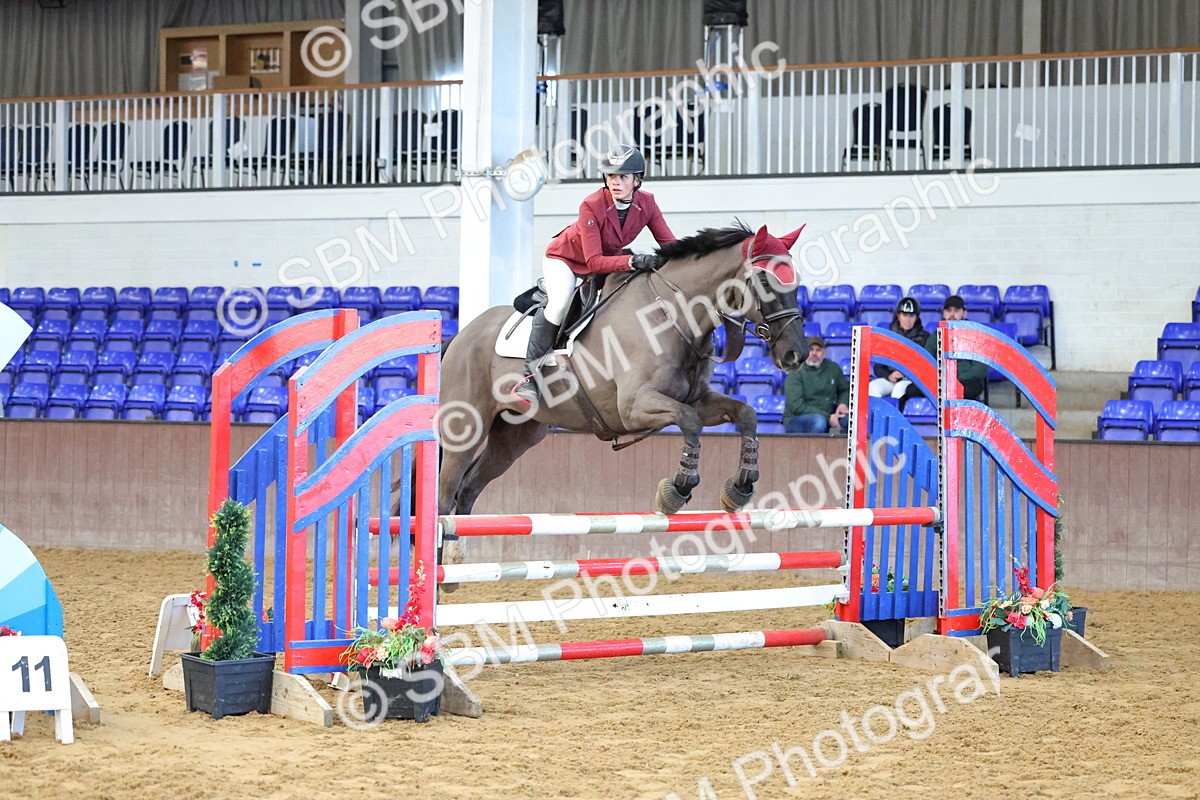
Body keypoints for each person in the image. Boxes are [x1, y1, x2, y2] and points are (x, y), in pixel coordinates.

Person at [513, 144, 677, 406]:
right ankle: (528, 378)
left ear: (637, 180)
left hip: (609, 259)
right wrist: (633, 260)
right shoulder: (591, 205)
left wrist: (689, 258)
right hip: (566, 260)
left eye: (623, 177)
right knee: (559, 305)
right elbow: (594, 261)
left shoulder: (647, 203)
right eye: (611, 176)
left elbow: (669, 243)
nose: (616, 182)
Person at [905, 294, 989, 403]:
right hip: (940, 381)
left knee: (970, 390)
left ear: (964, 313)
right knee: (911, 390)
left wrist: (955, 377)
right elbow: (925, 362)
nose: (952, 314)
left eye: (956, 311)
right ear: (944, 313)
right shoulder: (935, 336)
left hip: (965, 381)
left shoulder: (974, 336)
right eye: (949, 310)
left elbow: (980, 369)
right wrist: (941, 377)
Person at [783, 336, 850, 434]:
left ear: (824, 352)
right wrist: (828, 417)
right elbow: (797, 406)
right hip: (796, 419)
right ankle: (812, 449)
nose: (814, 353)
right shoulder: (795, 372)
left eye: (818, 350)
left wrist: (843, 403)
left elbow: (844, 389)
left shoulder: (833, 368)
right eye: (810, 349)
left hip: (829, 414)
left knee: (849, 421)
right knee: (819, 422)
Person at [868, 296, 928, 399]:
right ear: (898, 316)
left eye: (911, 315)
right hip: (891, 379)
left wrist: (907, 374)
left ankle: (893, 416)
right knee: (872, 387)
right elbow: (878, 367)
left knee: (898, 389)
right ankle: (877, 415)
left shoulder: (924, 337)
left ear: (916, 317)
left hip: (911, 381)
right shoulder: (888, 336)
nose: (908, 320)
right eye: (905, 315)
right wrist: (889, 375)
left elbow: (926, 367)